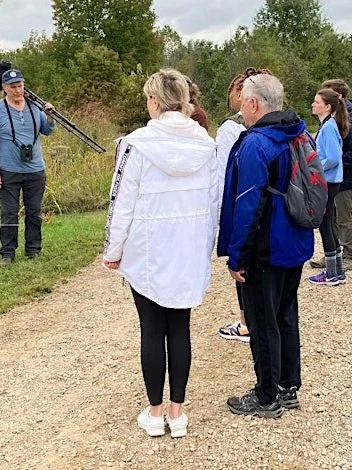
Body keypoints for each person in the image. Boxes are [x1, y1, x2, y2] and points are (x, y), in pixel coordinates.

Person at [103, 69, 219, 438]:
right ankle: (178, 411)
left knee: (152, 330)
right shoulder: (206, 144)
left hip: (147, 249)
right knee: (180, 327)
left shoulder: (136, 144)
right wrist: (206, 245)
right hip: (186, 246)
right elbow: (213, 202)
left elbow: (120, 202)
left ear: (154, 101)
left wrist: (113, 248)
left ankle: (155, 413)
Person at [218, 73, 313, 418]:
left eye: (243, 100)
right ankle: (288, 387)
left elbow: (247, 204)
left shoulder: (256, 143)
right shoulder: (299, 132)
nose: (240, 107)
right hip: (296, 241)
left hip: (265, 248)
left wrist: (236, 254)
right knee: (286, 314)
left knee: (261, 321)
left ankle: (266, 396)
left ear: (254, 103)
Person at [215, 67, 273, 344]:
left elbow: (224, 173)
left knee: (242, 268)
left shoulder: (231, 130)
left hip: (243, 208)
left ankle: (245, 322)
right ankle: (252, 321)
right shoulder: (274, 130)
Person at [0, 68, 56, 267]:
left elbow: (47, 130)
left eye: (20, 86)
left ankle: (34, 249)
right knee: (9, 212)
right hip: (8, 171)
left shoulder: (34, 106)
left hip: (35, 170)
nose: (18, 90)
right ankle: (7, 252)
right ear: (5, 88)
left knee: (34, 211)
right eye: (13, 87)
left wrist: (49, 116)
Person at [309, 79, 352, 273]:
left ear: (336, 99)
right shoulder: (332, 121)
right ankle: (333, 257)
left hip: (343, 179)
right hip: (334, 178)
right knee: (330, 220)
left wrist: (319, 168)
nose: (314, 103)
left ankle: (348, 256)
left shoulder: (349, 121)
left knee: (343, 218)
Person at [307, 88, 349, 286]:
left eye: (316, 102)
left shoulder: (329, 127)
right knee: (329, 223)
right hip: (331, 182)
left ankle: (331, 273)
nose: (313, 105)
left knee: (325, 225)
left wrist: (314, 170)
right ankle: (337, 270)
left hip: (328, 182)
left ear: (327, 106)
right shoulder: (328, 125)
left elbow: (332, 157)